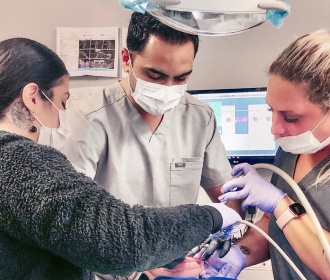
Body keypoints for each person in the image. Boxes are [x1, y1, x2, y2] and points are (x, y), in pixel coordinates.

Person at [0, 37, 243, 280]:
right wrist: (212, 217)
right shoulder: (21, 159)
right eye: (61, 103)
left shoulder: (200, 116)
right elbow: (119, 240)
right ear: (33, 98)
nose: (58, 117)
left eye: (180, 77)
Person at [201, 29, 330, 280]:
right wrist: (239, 254)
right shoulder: (291, 150)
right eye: (271, 110)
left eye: (290, 117)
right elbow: (277, 225)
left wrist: (281, 203)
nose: (275, 129)